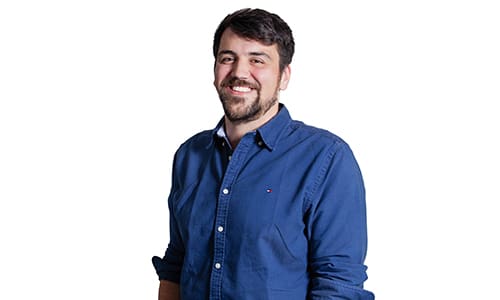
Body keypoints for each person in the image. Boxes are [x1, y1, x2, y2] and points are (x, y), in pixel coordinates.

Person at [152, 8, 374, 299]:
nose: (239, 72)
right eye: (228, 58)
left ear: (284, 76)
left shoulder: (326, 158)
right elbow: (176, 264)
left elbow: (338, 285)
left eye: (257, 60)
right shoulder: (190, 156)